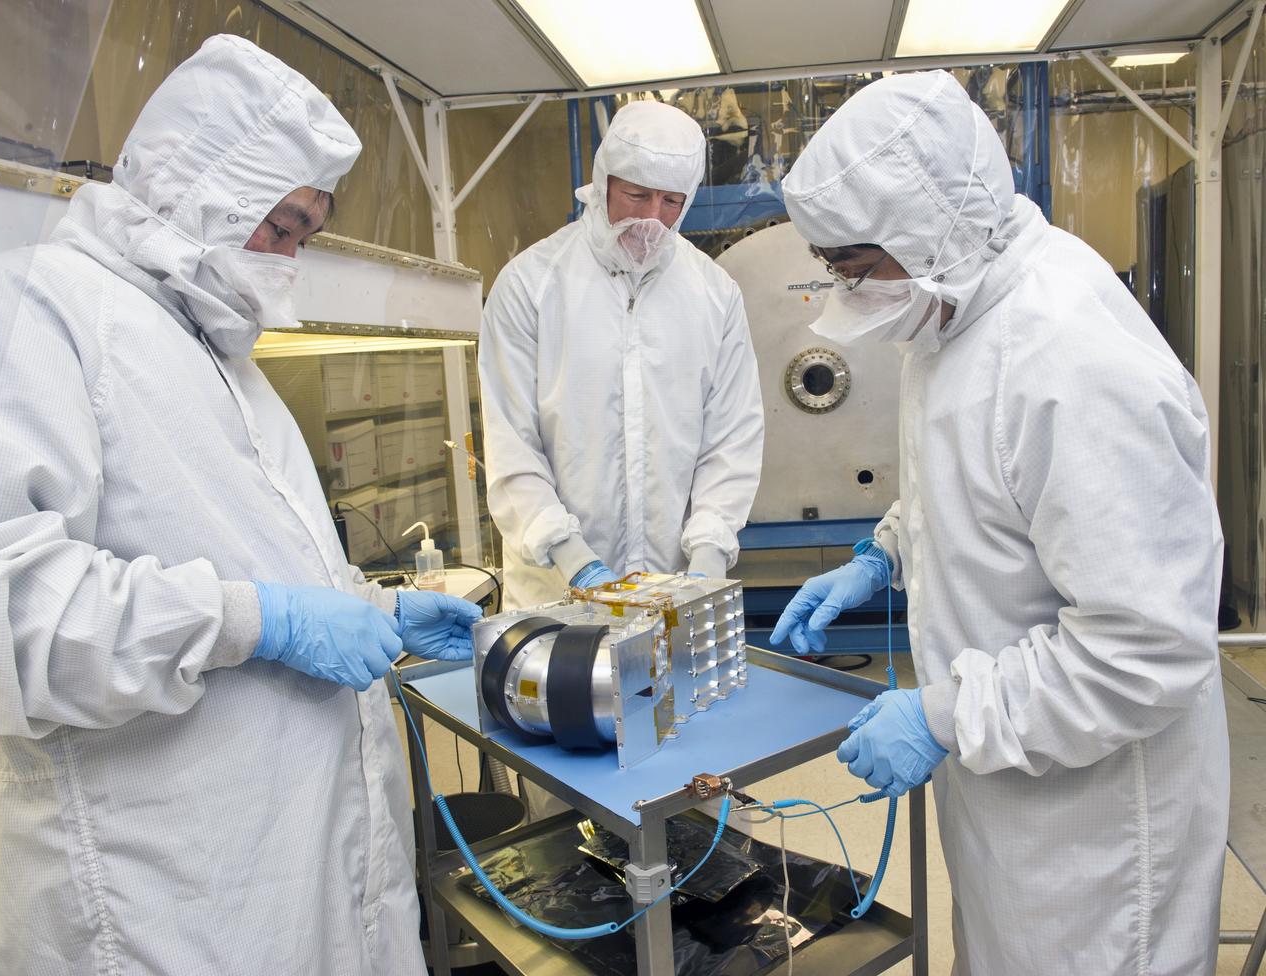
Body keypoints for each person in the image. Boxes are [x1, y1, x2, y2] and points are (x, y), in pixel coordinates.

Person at [0, 34, 481, 974]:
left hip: (287, 867)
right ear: (198, 185)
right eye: (281, 226)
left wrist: (372, 610)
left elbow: (258, 560)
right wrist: (264, 621)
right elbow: (12, 619)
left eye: (305, 234)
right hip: (157, 892)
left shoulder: (215, 352)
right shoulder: (36, 314)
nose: (288, 258)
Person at [772, 70, 1229, 974]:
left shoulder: (1071, 355)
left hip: (1097, 832)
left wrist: (945, 715)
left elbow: (1147, 647)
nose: (848, 292)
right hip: (1014, 790)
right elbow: (980, 487)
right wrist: (882, 553)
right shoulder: (954, 310)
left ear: (924, 221)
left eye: (856, 268)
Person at [480, 100, 764, 610]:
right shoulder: (531, 284)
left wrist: (708, 553)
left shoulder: (715, 294)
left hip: (673, 595)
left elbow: (732, 436)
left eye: (673, 201)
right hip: (556, 592)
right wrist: (570, 556)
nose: (653, 219)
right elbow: (511, 444)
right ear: (603, 180)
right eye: (637, 195)